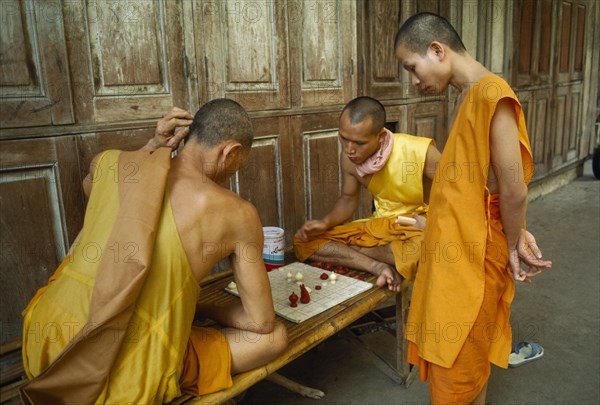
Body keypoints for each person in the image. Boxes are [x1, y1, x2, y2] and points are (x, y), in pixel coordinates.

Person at [20, 100, 288, 404]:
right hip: (115, 375)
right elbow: (261, 322)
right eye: (240, 161)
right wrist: (203, 308)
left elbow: (94, 192)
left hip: (44, 341)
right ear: (230, 152)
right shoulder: (238, 214)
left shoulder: (106, 162)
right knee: (274, 338)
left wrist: (153, 145)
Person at [394, 12, 553, 404]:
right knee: (466, 360)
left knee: (461, 362)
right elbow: (480, 186)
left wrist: (515, 241)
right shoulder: (469, 95)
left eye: (412, 67)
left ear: (437, 49)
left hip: (474, 257)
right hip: (457, 250)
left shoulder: (490, 92)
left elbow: (513, 190)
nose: (414, 81)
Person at [294, 96, 441, 293]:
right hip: (382, 225)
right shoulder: (349, 159)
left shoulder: (420, 152)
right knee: (303, 241)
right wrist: (325, 223)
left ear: (380, 137)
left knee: (429, 251)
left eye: (359, 143)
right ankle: (378, 265)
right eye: (343, 139)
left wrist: (435, 226)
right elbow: (348, 199)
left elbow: (460, 195)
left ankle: (359, 253)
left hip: (419, 224)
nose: (349, 150)